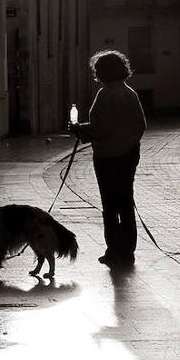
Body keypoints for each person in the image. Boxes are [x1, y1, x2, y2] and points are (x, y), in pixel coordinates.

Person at [70, 50, 147, 267]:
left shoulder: (104, 95)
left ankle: (113, 249)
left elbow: (100, 128)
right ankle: (128, 249)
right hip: (128, 156)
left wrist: (80, 130)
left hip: (106, 158)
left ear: (102, 72)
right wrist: (129, 145)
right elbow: (141, 125)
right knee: (126, 201)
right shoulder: (130, 93)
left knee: (110, 205)